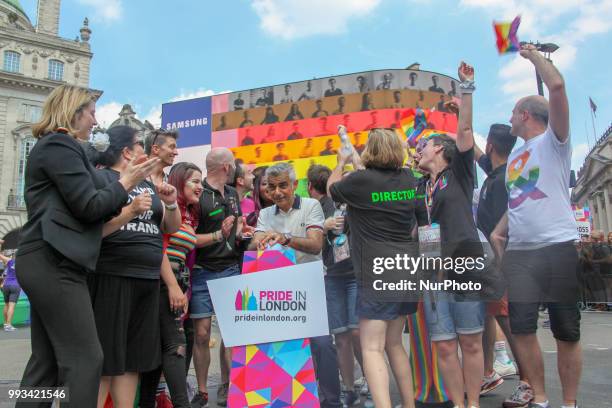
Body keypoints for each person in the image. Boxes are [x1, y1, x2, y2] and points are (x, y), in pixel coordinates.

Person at [15, 85, 158, 408]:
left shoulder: (63, 149)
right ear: (74, 110)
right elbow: (89, 206)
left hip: (49, 260)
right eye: (92, 112)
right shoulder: (58, 145)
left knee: (46, 362)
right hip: (54, 262)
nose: (95, 121)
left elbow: (98, 200)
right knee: (86, 359)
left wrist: (129, 181)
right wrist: (126, 184)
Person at [491, 43, 582, 408]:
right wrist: (500, 230)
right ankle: (540, 398)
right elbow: (519, 198)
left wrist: (533, 57)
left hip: (557, 246)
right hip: (521, 254)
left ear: (526, 114)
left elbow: (557, 88)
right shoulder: (516, 155)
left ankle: (570, 403)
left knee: (566, 331)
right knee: (522, 328)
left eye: (514, 112)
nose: (510, 118)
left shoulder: (554, 141)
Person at [88, 125, 181, 408]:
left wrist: (172, 203)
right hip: (112, 274)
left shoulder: (146, 184)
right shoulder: (102, 178)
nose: (145, 149)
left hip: (147, 278)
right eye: (140, 144)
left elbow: (169, 228)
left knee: (133, 358)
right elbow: (92, 225)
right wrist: (130, 210)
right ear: (127, 151)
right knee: (106, 357)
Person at [327, 128, 420, 408]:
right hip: (406, 266)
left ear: (371, 150)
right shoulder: (409, 179)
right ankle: (408, 404)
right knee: (394, 344)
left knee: (371, 348)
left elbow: (334, 189)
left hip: (376, 269)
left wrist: (340, 162)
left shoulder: (359, 181)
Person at [415, 62, 485, 408]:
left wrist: (466, 89)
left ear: (441, 149)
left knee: (470, 341)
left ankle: (473, 403)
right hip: (433, 273)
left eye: (424, 146)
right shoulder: (418, 186)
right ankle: (458, 404)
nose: (419, 151)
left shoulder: (459, 173)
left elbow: (467, 130)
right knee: (443, 343)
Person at [250, 163, 342, 408]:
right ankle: (294, 399)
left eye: (283, 186)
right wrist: (255, 238)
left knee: (322, 344)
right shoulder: (266, 214)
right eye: (272, 187)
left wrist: (285, 239)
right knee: (287, 346)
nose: (277, 192)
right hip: (279, 289)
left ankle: (332, 401)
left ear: (294, 185)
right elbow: (254, 243)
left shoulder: (311, 206)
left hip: (311, 283)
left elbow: (316, 245)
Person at [474, 125, 533, 407]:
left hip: (502, 262)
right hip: (493, 262)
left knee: (509, 323)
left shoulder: (502, 181)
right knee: (489, 314)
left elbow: (506, 228)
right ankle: (488, 372)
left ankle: (528, 381)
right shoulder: (498, 172)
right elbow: (478, 156)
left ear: (490, 146)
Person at [139, 162, 203, 408]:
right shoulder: (163, 206)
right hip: (161, 284)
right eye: (195, 181)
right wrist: (173, 287)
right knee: (176, 347)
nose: (200, 186)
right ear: (179, 181)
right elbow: (159, 246)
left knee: (158, 351)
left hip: (174, 284)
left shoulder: (186, 212)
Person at [190, 148, 250, 407]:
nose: (236, 169)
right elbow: (187, 237)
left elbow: (234, 229)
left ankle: (230, 386)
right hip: (202, 271)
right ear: (226, 167)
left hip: (230, 269)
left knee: (232, 334)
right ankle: (203, 391)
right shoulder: (198, 193)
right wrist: (218, 235)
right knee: (202, 334)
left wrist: (241, 233)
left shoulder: (234, 195)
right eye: (234, 165)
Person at [307, 165, 368, 407]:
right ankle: (349, 388)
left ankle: (372, 382)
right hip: (332, 274)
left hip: (357, 274)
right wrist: (325, 226)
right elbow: (310, 236)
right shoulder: (320, 207)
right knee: (341, 335)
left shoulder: (360, 202)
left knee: (357, 333)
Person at [1, 250, 20, 331]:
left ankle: (5, 324)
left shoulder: (9, 261)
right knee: (11, 306)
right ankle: (8, 325)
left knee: (6, 304)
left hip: (6, 285)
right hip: (15, 285)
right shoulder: (23, 264)